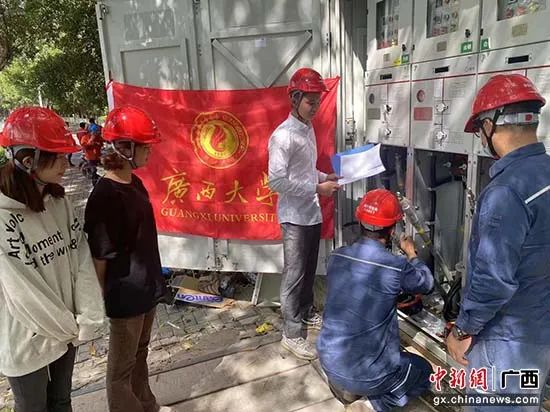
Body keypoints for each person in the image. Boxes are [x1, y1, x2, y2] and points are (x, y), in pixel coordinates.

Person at [447, 73, 550, 410]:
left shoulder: (506, 192)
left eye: (479, 130)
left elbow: (493, 281)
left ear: (490, 125)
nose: (481, 139)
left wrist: (461, 332)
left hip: (504, 341)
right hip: (538, 332)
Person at [0, 107, 104, 411]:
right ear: (27, 160)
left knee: (61, 401)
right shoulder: (3, 219)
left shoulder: (59, 202)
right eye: (56, 156)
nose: (65, 163)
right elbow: (22, 290)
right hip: (27, 335)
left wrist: (87, 313)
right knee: (32, 406)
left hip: (68, 327)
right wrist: (68, 326)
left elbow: (80, 256)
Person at [84, 106, 174, 412]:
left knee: (141, 353)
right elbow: (100, 255)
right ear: (125, 148)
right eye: (145, 146)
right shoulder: (104, 196)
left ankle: (147, 404)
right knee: (121, 368)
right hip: (125, 293)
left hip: (146, 285)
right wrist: (100, 298)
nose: (150, 151)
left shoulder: (134, 182)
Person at [317, 189, 434, 411]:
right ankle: (373, 404)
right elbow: (426, 284)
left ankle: (346, 388)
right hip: (367, 373)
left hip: (328, 359)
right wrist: (411, 254)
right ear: (392, 230)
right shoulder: (395, 266)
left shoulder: (336, 256)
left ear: (360, 221)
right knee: (424, 371)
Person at [268, 67, 340, 360]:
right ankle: (291, 333)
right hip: (294, 217)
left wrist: (325, 175)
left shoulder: (307, 129)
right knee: (294, 275)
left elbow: (305, 170)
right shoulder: (282, 137)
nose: (316, 107)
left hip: (311, 213)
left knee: (309, 269)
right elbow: (276, 181)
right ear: (295, 99)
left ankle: (307, 312)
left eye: (318, 101)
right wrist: (317, 187)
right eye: (310, 101)